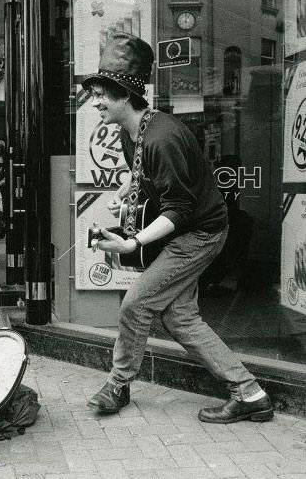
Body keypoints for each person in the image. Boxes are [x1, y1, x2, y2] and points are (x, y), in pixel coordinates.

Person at [83, 32, 272, 424]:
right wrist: (125, 191)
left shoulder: (162, 137)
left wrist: (133, 241)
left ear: (124, 94)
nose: (95, 101)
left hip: (199, 234)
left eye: (102, 93)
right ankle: (249, 392)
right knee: (180, 317)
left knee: (136, 304)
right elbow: (142, 173)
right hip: (185, 229)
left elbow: (180, 210)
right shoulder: (131, 131)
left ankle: (118, 385)